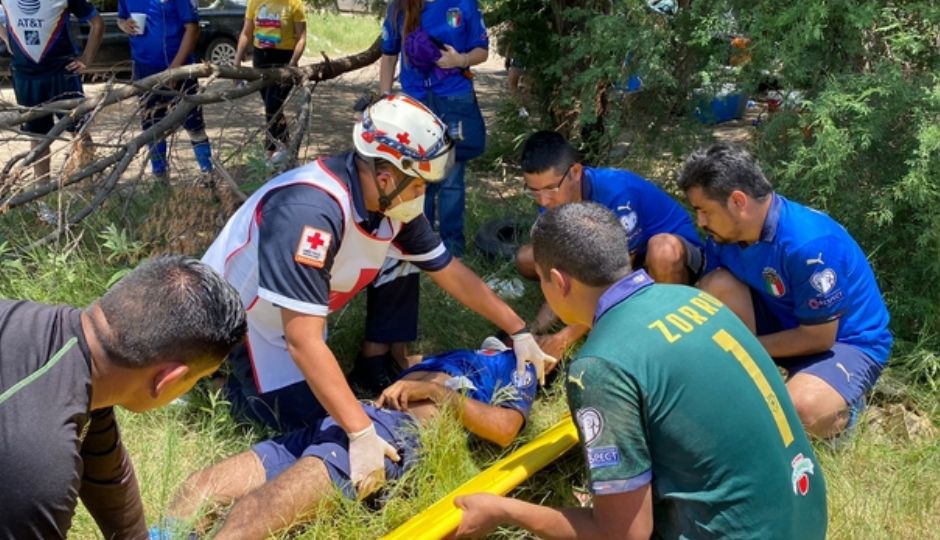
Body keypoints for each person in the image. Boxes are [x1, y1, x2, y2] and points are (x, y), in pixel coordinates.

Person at [201, 94, 555, 498]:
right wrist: (361, 430)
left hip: (291, 315)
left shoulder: (390, 204)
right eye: (419, 184)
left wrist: (519, 330)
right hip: (241, 328)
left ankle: (371, 366)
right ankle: (219, 380)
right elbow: (302, 341)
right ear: (386, 177)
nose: (423, 195)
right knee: (318, 430)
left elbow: (449, 270)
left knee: (400, 263)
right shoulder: (309, 213)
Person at [453, 202, 827, 539]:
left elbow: (622, 535)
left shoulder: (598, 367)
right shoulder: (694, 298)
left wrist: (504, 510)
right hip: (807, 520)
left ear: (560, 281)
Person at [156, 337, 536, 539]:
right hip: (349, 418)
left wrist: (439, 394)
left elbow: (504, 430)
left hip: (394, 432)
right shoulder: (456, 354)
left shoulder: (514, 363)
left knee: (256, 514)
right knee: (199, 487)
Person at [0, 256, 246, 539]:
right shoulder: (36, 466)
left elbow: (108, 474)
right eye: (197, 379)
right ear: (168, 379)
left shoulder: (64, 347)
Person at [677, 143, 892, 439]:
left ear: (738, 201)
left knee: (801, 410)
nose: (700, 221)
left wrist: (740, 350)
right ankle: (763, 380)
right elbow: (707, 295)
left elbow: (818, 337)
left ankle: (846, 411)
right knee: (716, 285)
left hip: (844, 342)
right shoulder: (725, 233)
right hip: (779, 322)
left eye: (704, 210)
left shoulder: (809, 244)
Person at [515, 130, 704, 357]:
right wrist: (533, 329)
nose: (544, 201)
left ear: (575, 172)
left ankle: (664, 331)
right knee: (529, 258)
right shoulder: (553, 197)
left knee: (662, 251)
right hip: (626, 257)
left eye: (550, 189)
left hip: (673, 257)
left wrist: (564, 338)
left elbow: (615, 279)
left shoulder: (616, 194)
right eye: (534, 191)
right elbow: (558, 263)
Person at [378, 0, 489, 256]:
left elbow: (481, 50)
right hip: (415, 102)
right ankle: (421, 244)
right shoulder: (399, 7)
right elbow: (389, 54)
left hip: (454, 99)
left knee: (452, 177)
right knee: (419, 174)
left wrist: (460, 59)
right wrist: (384, 98)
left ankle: (452, 247)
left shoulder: (463, 4)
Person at [1, 0, 104, 180]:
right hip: (26, 76)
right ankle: (42, 197)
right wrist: (6, 38)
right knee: (37, 136)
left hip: (62, 72)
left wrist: (87, 58)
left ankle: (89, 186)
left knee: (79, 130)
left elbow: (96, 22)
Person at [117, 0, 214, 178]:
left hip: (181, 70)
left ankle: (208, 176)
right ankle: (160, 179)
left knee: (194, 125)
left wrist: (174, 70)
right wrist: (124, 25)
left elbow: (192, 29)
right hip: (144, 70)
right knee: (152, 128)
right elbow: (121, 18)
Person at [233, 0, 307, 163]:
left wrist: (292, 64)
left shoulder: (295, 3)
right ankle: (285, 148)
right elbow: (246, 33)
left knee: (272, 105)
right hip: (261, 60)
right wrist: (236, 64)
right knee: (272, 107)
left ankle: (271, 151)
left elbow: (301, 37)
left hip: (284, 60)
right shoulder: (254, 2)